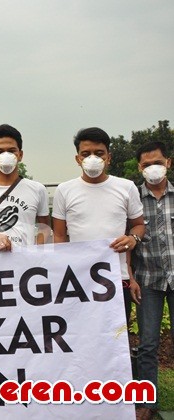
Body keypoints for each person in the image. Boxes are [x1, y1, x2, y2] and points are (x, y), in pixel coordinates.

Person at [52, 127, 144, 328]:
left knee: (117, 338)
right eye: (86, 154)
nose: (92, 158)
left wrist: (132, 239)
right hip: (77, 281)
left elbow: (138, 226)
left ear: (108, 157)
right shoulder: (64, 190)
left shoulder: (126, 187)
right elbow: (59, 236)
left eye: (99, 153)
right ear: (77, 159)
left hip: (117, 279)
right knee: (81, 335)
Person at [130, 142, 173, 420]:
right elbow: (126, 241)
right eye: (146, 165)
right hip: (147, 280)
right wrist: (131, 277)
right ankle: (148, 402)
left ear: (168, 162)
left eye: (157, 162)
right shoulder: (132, 199)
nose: (152, 168)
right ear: (139, 168)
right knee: (147, 344)